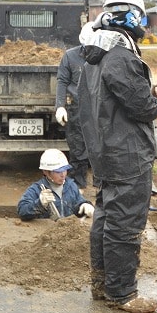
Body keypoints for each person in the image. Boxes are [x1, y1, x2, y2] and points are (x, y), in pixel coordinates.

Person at [78, 0, 157, 313]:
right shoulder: (121, 57)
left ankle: (102, 285)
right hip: (127, 153)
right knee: (125, 224)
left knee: (105, 217)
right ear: (132, 17)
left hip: (106, 151)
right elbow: (141, 106)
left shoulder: (94, 57)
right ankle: (123, 293)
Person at [54, 23, 95, 190]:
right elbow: (62, 81)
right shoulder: (70, 57)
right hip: (77, 107)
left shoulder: (106, 57)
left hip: (100, 108)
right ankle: (78, 185)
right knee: (77, 147)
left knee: (100, 147)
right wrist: (60, 106)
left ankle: (102, 185)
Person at [17, 149, 94, 221]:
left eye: (65, 170)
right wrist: (40, 204)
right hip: (46, 232)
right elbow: (22, 211)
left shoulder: (71, 186)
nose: (63, 175)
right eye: (58, 171)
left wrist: (85, 205)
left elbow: (78, 205)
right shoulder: (36, 189)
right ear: (46, 172)